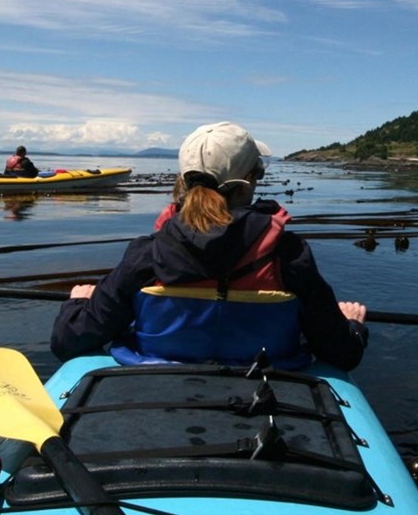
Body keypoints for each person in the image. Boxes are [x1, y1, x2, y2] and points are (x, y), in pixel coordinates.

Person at [51, 121, 368, 371]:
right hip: (267, 384)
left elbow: (68, 342)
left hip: (157, 381)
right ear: (251, 179)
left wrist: (77, 305)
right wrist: (351, 325)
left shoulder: (147, 256)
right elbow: (343, 354)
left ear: (184, 181)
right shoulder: (288, 255)